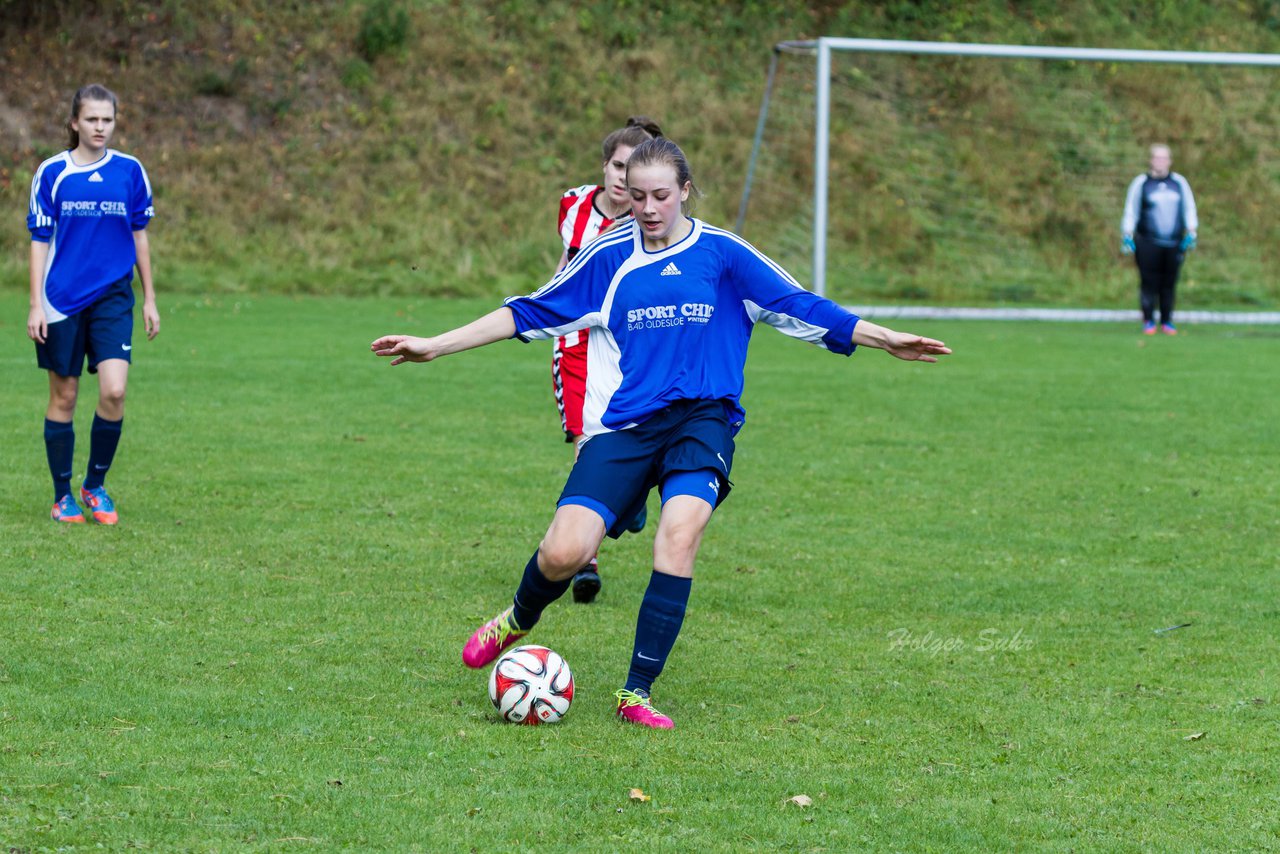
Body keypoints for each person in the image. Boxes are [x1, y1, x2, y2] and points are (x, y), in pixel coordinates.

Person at [371, 138, 950, 729]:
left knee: (678, 534)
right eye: (638, 195)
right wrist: (434, 345)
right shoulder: (607, 258)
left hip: (703, 420)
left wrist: (883, 337)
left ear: (686, 191)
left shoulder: (722, 255)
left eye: (661, 196)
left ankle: (636, 693)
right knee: (563, 552)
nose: (648, 208)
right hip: (629, 425)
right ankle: (519, 618)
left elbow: (798, 304)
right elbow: (529, 312)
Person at [26, 84, 158, 524]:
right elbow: (40, 239)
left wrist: (150, 299)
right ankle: (62, 496)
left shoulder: (130, 171)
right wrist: (35, 305)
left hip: (114, 296)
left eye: (107, 120)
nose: (100, 127)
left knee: (115, 390)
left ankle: (94, 485)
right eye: (92, 119)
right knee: (64, 397)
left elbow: (139, 235)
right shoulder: (52, 173)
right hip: (61, 298)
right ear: (74, 123)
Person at [552, 116, 663, 605]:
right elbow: (567, 264)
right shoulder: (573, 204)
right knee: (585, 440)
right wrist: (544, 304)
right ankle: (586, 559)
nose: (622, 178)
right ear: (605, 165)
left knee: (629, 441)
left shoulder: (647, 223)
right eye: (617, 166)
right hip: (575, 347)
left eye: (632, 170)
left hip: (627, 348)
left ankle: (627, 502)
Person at [1121, 144, 1198, 335]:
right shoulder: (1141, 183)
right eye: (1157, 157)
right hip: (1147, 242)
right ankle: (1148, 321)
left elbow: (1189, 208)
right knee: (1148, 282)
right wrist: (1127, 233)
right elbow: (1131, 210)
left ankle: (1167, 321)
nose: (1160, 161)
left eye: (1164, 158)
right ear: (1150, 160)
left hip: (1173, 243)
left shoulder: (1179, 182)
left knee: (1169, 283)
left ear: (1170, 161)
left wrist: (1191, 231)